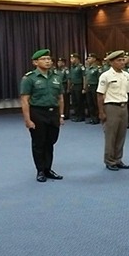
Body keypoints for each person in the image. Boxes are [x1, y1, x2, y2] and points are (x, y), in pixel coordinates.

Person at [20, 49, 64, 183]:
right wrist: (27, 119)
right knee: (39, 143)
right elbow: (24, 100)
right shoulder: (29, 78)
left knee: (50, 142)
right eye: (44, 59)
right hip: (38, 113)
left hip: (53, 113)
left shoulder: (56, 77)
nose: (48, 61)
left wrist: (61, 115)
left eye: (49, 59)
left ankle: (48, 169)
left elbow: (60, 98)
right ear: (35, 62)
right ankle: (40, 170)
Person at [97, 50, 129, 171]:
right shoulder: (106, 76)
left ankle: (118, 159)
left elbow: (127, 92)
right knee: (111, 135)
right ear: (111, 62)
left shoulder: (127, 75)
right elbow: (100, 95)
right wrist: (101, 112)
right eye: (119, 60)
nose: (122, 62)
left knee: (121, 135)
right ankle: (109, 160)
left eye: (123, 60)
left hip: (123, 106)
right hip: (111, 107)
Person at [84, 54, 101, 124]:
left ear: (94, 59)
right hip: (89, 87)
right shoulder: (87, 68)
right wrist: (85, 87)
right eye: (88, 58)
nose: (88, 59)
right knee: (90, 103)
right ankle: (92, 118)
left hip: (95, 86)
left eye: (90, 58)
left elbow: (100, 79)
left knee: (95, 103)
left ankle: (97, 118)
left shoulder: (98, 68)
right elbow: (86, 78)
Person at [68, 53, 85, 122]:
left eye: (72, 58)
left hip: (79, 85)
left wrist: (84, 87)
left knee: (79, 101)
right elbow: (70, 78)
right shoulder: (72, 67)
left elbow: (84, 77)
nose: (71, 60)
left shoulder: (81, 67)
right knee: (74, 101)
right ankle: (76, 115)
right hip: (73, 86)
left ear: (77, 59)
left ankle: (81, 116)